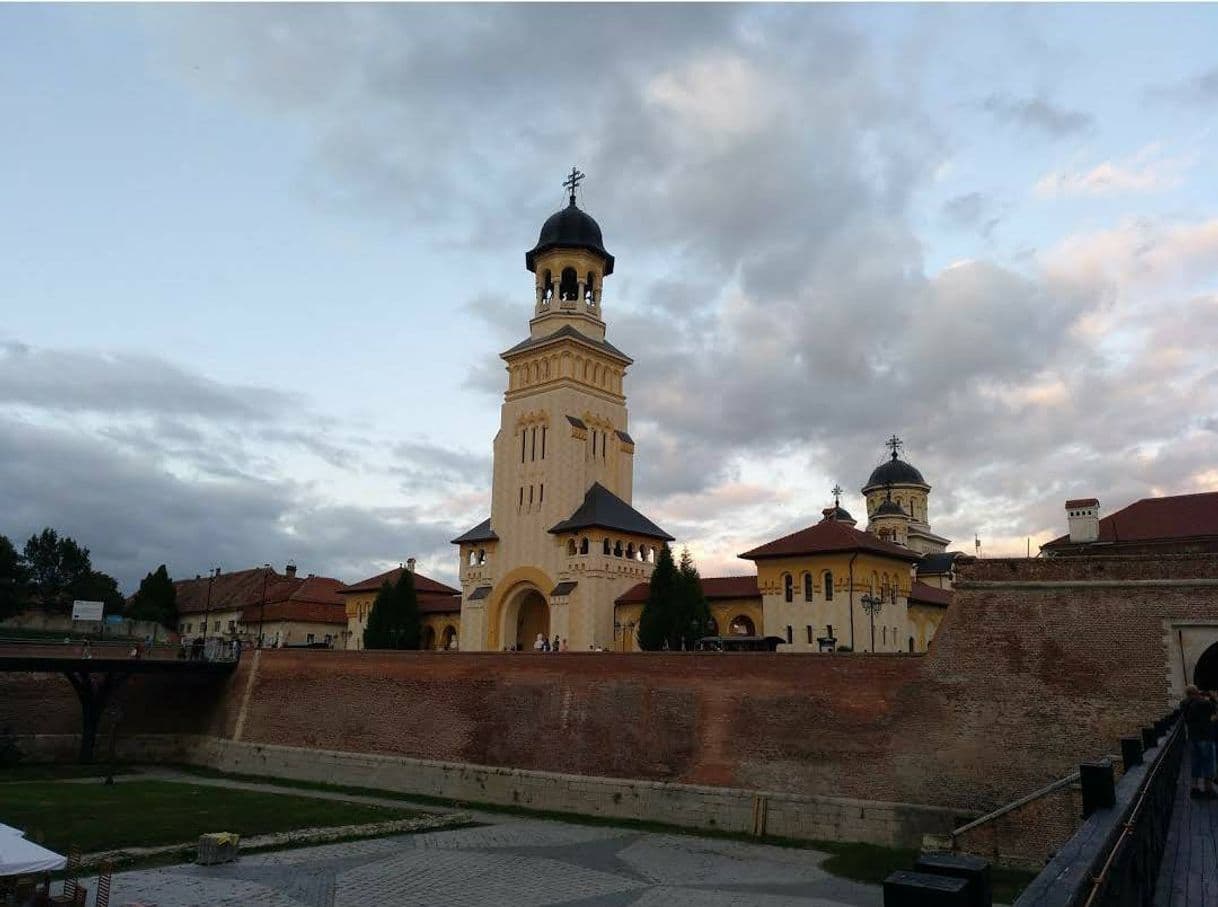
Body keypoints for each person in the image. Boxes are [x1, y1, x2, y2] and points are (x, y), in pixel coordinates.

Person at [1182, 685, 1217, 799]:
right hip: (1205, 737)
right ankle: (1208, 789)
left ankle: (1194, 788)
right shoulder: (1202, 703)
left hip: (1193, 737)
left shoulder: (1184, 704)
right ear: (1196, 692)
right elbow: (1214, 709)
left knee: (1196, 764)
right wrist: (1211, 697)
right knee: (1208, 763)